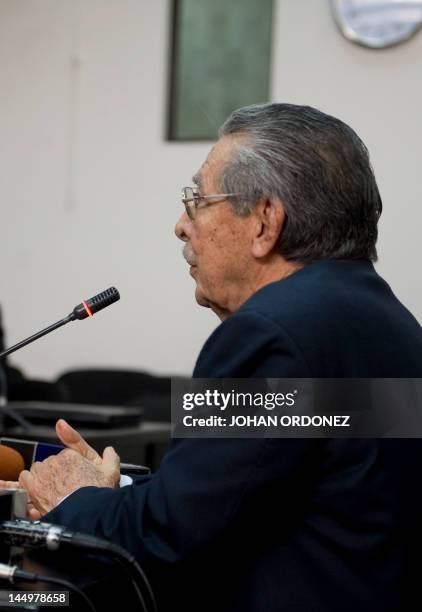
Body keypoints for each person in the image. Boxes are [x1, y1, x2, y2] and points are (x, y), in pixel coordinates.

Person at [5, 104, 422, 611]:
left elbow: (169, 536)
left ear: (266, 222)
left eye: (197, 199)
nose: (181, 225)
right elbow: (253, 488)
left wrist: (73, 499)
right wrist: (122, 490)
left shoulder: (268, 335)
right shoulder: (390, 325)